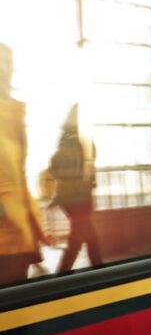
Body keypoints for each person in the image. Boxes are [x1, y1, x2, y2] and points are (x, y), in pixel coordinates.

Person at [0, 42, 46, 286]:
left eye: (8, 64)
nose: (6, 69)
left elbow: (19, 174)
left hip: (19, 233)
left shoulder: (14, 111)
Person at [49, 104, 102, 272]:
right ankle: (65, 274)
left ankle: (98, 267)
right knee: (79, 236)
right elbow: (91, 163)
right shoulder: (85, 142)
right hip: (81, 198)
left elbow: (53, 167)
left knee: (86, 234)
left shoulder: (62, 143)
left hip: (68, 199)